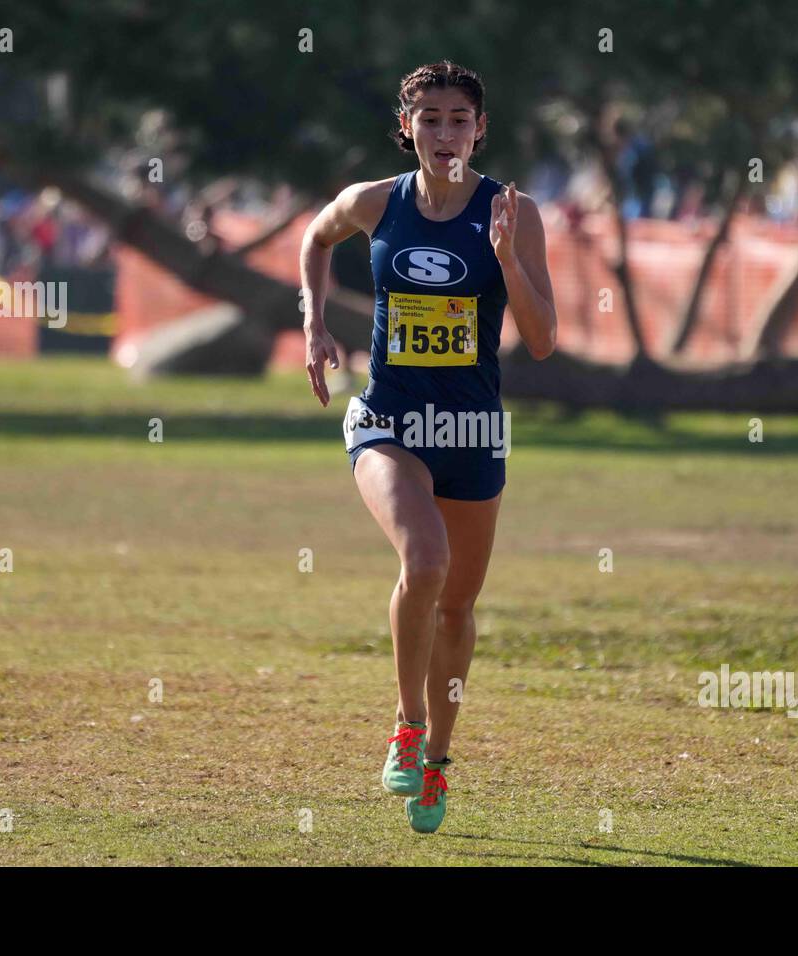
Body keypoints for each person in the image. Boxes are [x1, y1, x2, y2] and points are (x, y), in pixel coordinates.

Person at [299, 61, 556, 833]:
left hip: (473, 431)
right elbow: (315, 239)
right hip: (388, 421)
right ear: (406, 126)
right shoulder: (374, 203)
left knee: (457, 610)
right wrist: (313, 324)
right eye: (430, 118)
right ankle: (406, 727)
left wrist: (507, 259)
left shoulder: (515, 211)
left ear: (480, 130)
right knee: (425, 561)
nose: (445, 133)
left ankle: (439, 758)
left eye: (459, 119)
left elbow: (543, 343)